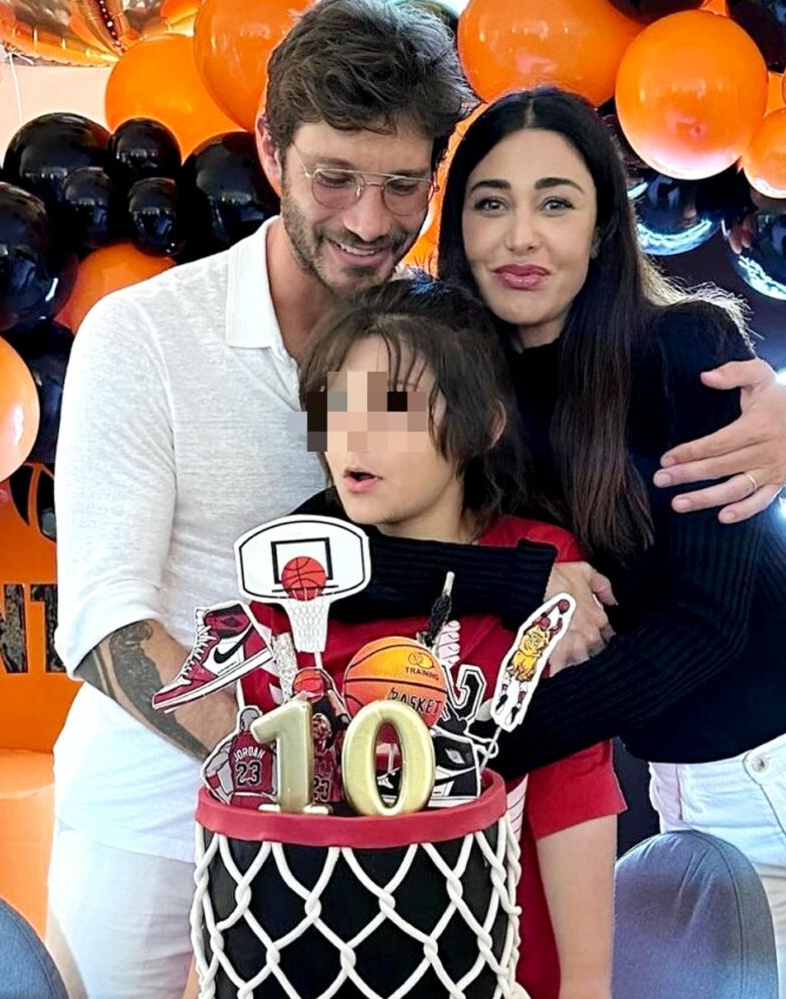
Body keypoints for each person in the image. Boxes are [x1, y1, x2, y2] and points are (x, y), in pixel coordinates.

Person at [51, 0, 786, 999]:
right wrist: (302, 779)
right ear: (270, 148)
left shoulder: (449, 339)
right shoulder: (144, 335)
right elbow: (106, 625)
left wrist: (777, 405)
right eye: (333, 178)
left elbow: (602, 364)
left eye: (402, 184)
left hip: (405, 822)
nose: (369, 222)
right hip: (155, 817)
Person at [312, 86, 786, 999]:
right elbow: (317, 558)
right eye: (492, 202)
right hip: (713, 807)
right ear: (458, 226)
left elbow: (707, 624)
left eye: (557, 202)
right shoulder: (451, 394)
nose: (522, 236)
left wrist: (477, 757)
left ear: (603, 228)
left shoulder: (684, 344)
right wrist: (522, 577)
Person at [253, 277, 624, 999]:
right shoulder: (294, 577)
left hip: (496, 962)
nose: (352, 438)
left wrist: (588, 984)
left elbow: (573, 788)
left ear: (482, 427)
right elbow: (257, 810)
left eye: (391, 409)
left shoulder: (549, 568)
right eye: (336, 406)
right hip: (316, 961)